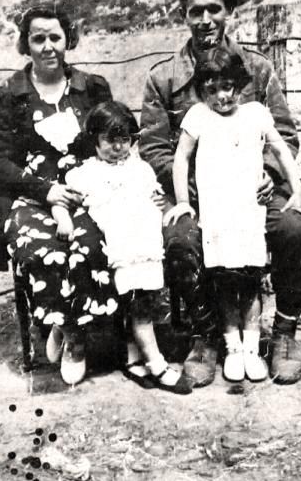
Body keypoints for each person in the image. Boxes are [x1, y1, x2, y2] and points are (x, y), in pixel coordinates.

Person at [139, 0, 301, 387]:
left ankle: (284, 333)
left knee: (292, 228)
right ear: (183, 15)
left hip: (254, 192)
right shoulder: (163, 78)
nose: (205, 20)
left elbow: (284, 136)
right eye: (195, 11)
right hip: (194, 194)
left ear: (229, 13)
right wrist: (195, 189)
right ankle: (206, 336)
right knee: (182, 239)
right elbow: (154, 148)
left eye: (214, 9)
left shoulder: (257, 69)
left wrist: (266, 174)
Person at [0, 3, 119, 386]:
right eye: (37, 38)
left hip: (85, 189)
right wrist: (47, 191)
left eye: (55, 37)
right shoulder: (5, 97)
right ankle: (74, 336)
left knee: (92, 243)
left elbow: (109, 139)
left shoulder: (91, 89)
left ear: (68, 40)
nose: (47, 47)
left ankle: (68, 325)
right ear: (25, 44)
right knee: (43, 249)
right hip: (28, 195)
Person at [164, 53, 301, 382]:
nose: (221, 96)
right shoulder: (198, 116)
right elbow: (181, 158)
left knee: (251, 279)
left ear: (239, 85)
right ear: (201, 91)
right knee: (225, 279)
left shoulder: (255, 113)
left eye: (227, 87)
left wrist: (297, 190)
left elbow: (281, 150)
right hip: (217, 212)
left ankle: (253, 348)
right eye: (211, 90)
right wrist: (183, 201)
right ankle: (232, 347)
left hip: (249, 210)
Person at [53, 101, 191, 394]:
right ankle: (155, 362)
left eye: (124, 140)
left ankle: (134, 355)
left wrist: (164, 206)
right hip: (120, 249)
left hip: (146, 246)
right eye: (109, 140)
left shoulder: (141, 169)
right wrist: (63, 218)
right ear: (94, 140)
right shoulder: (85, 174)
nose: (118, 147)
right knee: (139, 304)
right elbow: (61, 201)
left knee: (144, 301)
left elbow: (157, 199)